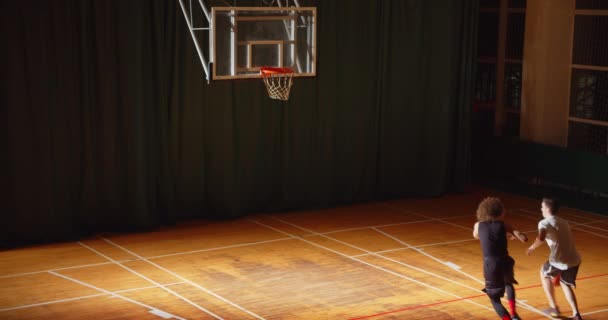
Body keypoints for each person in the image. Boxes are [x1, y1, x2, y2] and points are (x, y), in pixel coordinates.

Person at [526, 197, 583, 320]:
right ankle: (576, 314)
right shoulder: (564, 221)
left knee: (543, 273)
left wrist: (531, 248)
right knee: (565, 284)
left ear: (547, 208)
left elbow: (541, 238)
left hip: (559, 261)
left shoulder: (544, 223)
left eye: (542, 207)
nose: (541, 209)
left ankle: (553, 307)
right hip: (574, 259)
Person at [473, 197, 528, 320]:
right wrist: (514, 235)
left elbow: (477, 235)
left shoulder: (478, 225)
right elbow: (523, 239)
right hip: (505, 262)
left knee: (494, 299)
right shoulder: (503, 225)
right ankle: (514, 314)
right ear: (499, 211)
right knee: (508, 283)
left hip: (491, 264)